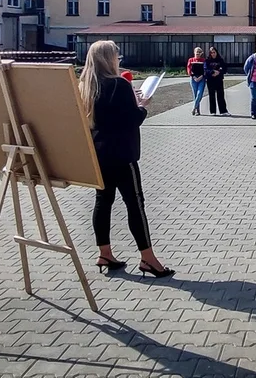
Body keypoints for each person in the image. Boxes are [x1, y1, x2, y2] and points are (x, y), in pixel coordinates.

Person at [79, 40, 173, 278]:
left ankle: (105, 252)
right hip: (122, 154)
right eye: (116, 55)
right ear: (108, 58)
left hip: (98, 153)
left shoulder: (87, 85)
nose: (119, 59)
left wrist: (132, 99)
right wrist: (142, 105)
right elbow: (131, 119)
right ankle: (148, 258)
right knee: (135, 204)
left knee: (103, 202)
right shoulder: (118, 84)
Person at [204, 46, 229, 116]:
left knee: (220, 95)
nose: (213, 54)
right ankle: (213, 111)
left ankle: (223, 111)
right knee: (211, 96)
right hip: (210, 80)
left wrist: (218, 72)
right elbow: (206, 69)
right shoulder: (207, 61)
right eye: (211, 53)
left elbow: (224, 69)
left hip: (219, 80)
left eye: (214, 52)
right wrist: (212, 72)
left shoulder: (220, 60)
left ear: (216, 52)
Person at [187, 47, 206, 116]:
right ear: (194, 52)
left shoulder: (203, 60)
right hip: (193, 79)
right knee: (195, 95)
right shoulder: (191, 60)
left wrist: (201, 76)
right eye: (196, 52)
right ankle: (198, 110)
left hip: (201, 79)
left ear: (201, 53)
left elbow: (205, 69)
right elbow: (189, 69)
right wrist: (193, 76)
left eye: (199, 52)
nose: (197, 53)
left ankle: (194, 108)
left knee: (199, 93)